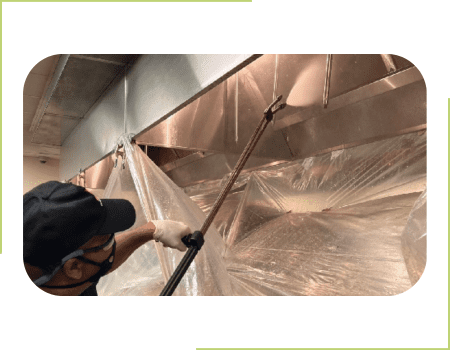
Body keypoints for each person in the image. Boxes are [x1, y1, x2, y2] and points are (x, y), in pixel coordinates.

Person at [23, 181, 192, 296]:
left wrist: (152, 230)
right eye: (108, 241)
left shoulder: (58, 277)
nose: (113, 245)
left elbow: (100, 260)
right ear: (74, 267)